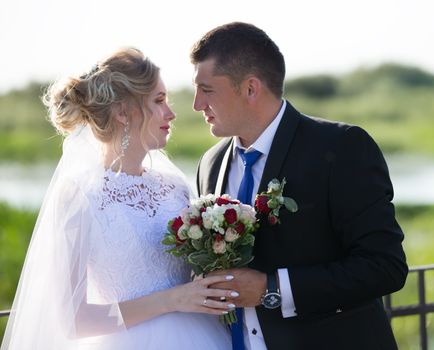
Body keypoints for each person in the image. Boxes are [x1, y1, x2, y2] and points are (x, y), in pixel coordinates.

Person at [192, 22, 408, 349]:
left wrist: (271, 289)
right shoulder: (210, 163)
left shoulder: (341, 148)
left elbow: (385, 267)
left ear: (250, 88)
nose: (196, 104)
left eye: (207, 90)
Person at [1, 48, 233, 349]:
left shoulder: (175, 186)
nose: (171, 113)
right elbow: (73, 321)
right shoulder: (79, 194)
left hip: (199, 336)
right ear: (123, 111)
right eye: (159, 101)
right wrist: (172, 301)